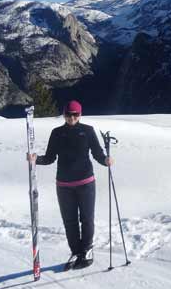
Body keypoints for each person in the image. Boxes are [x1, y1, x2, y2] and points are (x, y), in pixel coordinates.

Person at [26, 100, 113, 270]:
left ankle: (86, 250)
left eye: (75, 114)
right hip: (64, 184)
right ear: (64, 114)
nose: (72, 117)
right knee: (70, 221)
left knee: (87, 219)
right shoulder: (57, 133)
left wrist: (105, 160)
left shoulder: (87, 131)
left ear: (80, 115)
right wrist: (36, 160)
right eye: (68, 114)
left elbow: (97, 153)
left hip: (86, 183)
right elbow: (50, 157)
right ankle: (75, 251)